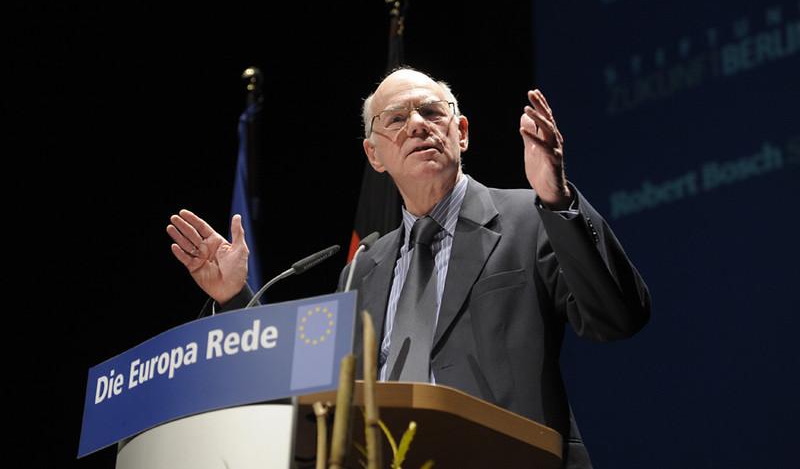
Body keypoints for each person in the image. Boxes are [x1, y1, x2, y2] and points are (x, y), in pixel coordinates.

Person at [166, 68, 651, 468]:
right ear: (374, 155)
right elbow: (314, 393)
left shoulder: (530, 217)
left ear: (461, 133)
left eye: (432, 112)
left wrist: (558, 199)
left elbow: (618, 317)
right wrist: (234, 298)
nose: (417, 124)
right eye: (395, 119)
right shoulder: (364, 267)